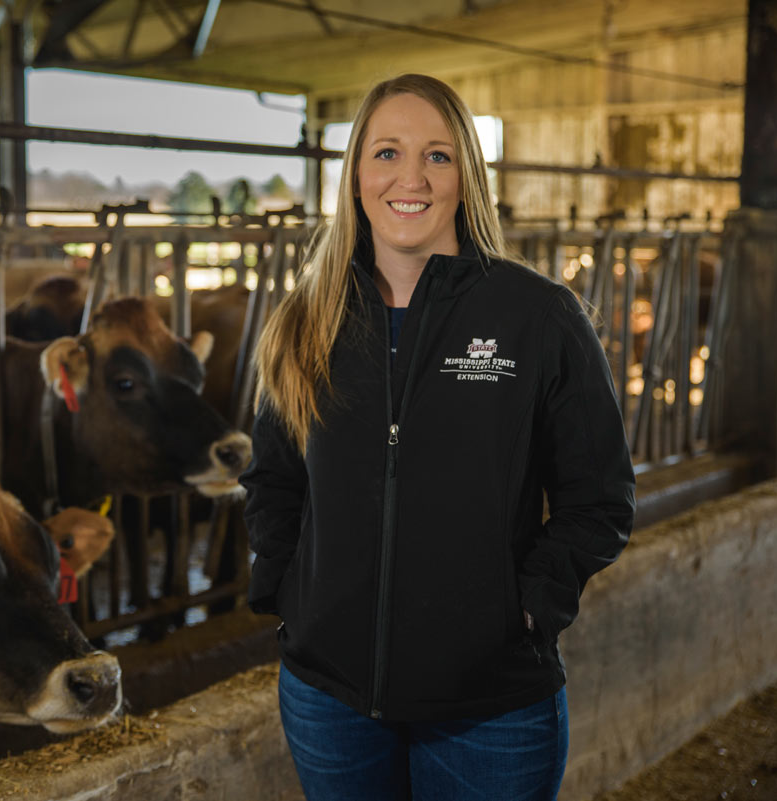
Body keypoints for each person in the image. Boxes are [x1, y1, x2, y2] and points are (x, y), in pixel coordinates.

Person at [241, 73, 635, 801]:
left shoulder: (538, 317)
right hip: (330, 699)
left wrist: (527, 607)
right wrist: (292, 588)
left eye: (439, 156)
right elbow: (273, 478)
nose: (410, 178)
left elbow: (600, 496)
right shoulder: (308, 319)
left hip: (489, 706)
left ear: (466, 177)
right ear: (356, 173)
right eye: (387, 153)